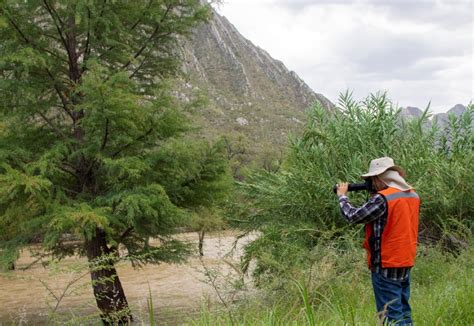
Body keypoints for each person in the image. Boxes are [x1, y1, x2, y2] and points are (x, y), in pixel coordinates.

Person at [336, 157, 420, 325]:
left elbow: (353, 216)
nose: (371, 184)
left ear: (379, 178)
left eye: (372, 180)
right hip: (405, 260)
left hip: (386, 263)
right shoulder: (412, 195)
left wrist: (342, 197)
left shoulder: (383, 199)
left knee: (391, 316)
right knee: (403, 311)